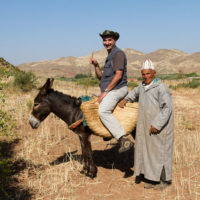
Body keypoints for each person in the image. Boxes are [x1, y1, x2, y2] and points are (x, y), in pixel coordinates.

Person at [119, 59, 174, 190]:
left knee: (161, 153)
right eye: (143, 74)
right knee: (149, 153)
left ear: (154, 73)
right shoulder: (142, 86)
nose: (146, 76)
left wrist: (157, 124)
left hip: (160, 128)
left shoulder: (161, 88)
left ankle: (164, 181)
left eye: (148, 74)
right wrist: (126, 99)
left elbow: (167, 108)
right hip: (146, 127)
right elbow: (134, 93)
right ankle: (151, 179)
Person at [89, 30, 133, 153]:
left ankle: (124, 139)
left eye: (109, 40)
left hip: (118, 89)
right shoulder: (109, 56)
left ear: (115, 41)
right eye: (105, 40)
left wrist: (105, 92)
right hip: (110, 89)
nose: (106, 42)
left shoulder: (118, 54)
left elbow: (118, 76)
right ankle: (108, 132)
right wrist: (96, 65)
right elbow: (101, 77)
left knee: (103, 111)